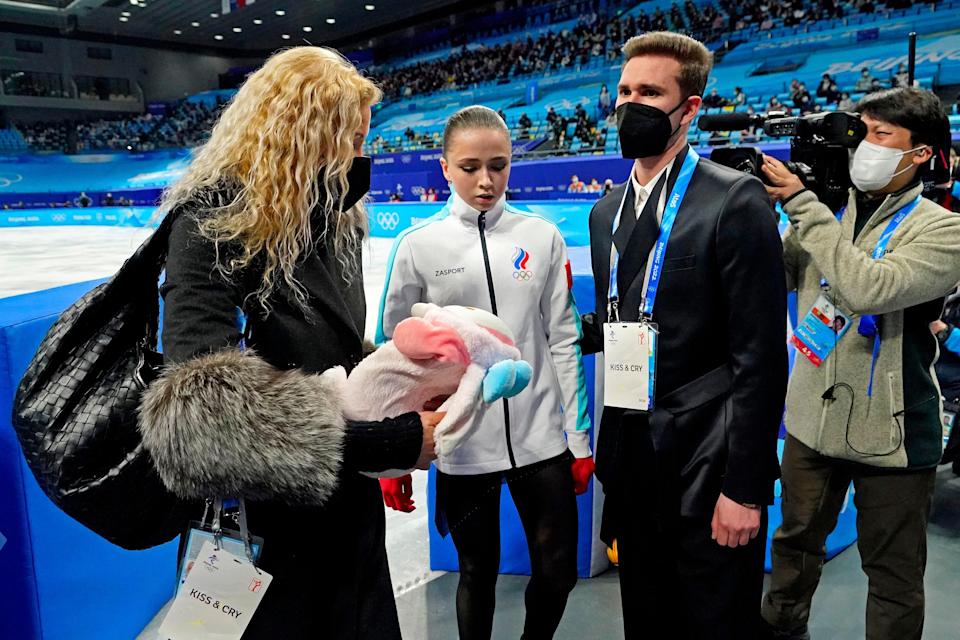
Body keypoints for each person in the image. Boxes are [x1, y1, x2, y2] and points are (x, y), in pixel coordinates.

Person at [137, 46, 442, 639]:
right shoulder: (210, 224)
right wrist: (387, 440)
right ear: (303, 136)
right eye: (351, 140)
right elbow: (203, 414)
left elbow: (337, 358)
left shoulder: (334, 223)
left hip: (345, 520)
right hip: (256, 536)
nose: (362, 156)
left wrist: (395, 399)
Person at [580, 31, 787, 639]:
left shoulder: (734, 199)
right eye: (624, 90)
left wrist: (745, 489)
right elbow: (619, 326)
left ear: (689, 108)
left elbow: (759, 357)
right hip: (633, 459)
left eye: (649, 91)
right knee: (646, 618)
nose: (630, 104)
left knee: (716, 622)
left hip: (709, 460)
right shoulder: (605, 210)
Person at [377, 105, 594, 640]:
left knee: (558, 569)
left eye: (498, 165)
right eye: (470, 166)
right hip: (462, 441)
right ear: (445, 168)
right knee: (478, 570)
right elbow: (394, 358)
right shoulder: (418, 247)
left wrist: (579, 437)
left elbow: (563, 338)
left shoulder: (541, 237)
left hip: (541, 438)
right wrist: (392, 453)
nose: (485, 180)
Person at [760, 87, 960, 640]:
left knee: (892, 572)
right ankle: (780, 630)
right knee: (793, 546)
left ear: (919, 153)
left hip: (893, 433)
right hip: (810, 417)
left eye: (880, 135)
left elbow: (867, 287)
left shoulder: (944, 230)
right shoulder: (827, 211)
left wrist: (803, 206)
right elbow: (772, 277)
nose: (863, 147)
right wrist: (757, 212)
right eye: (860, 132)